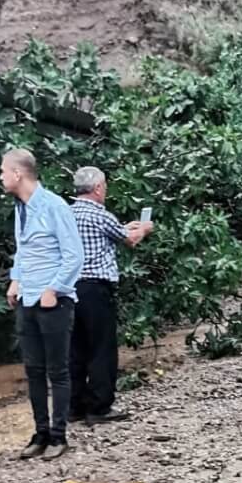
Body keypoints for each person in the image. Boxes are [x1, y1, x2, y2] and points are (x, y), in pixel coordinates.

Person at [2, 149, 84, 460]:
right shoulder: (20, 209)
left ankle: (59, 435)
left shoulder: (54, 206)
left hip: (53, 302)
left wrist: (55, 289)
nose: (1, 177)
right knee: (33, 370)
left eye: (3, 171)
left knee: (57, 370)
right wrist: (15, 279)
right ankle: (40, 432)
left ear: (18, 174)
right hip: (27, 299)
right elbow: (23, 251)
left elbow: (74, 256)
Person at [69, 166, 152, 423]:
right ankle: (99, 406)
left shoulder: (66, 213)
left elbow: (113, 233)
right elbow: (130, 240)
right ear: (96, 188)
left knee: (76, 348)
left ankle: (74, 405)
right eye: (104, 186)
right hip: (96, 287)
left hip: (69, 288)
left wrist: (123, 228)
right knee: (101, 347)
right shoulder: (99, 214)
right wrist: (145, 228)